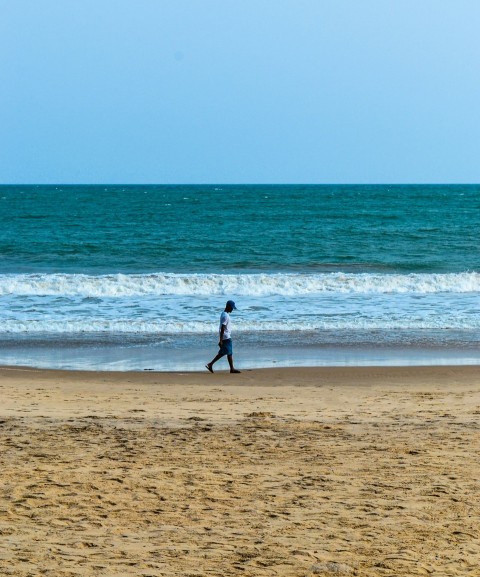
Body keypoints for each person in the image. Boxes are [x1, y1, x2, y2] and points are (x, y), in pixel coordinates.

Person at [206, 300, 241, 373]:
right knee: (224, 352)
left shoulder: (224, 314)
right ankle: (211, 364)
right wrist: (221, 340)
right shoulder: (225, 316)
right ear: (228, 306)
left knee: (228, 352)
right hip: (226, 337)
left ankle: (231, 368)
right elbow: (222, 327)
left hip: (225, 336)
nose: (232, 309)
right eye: (232, 308)